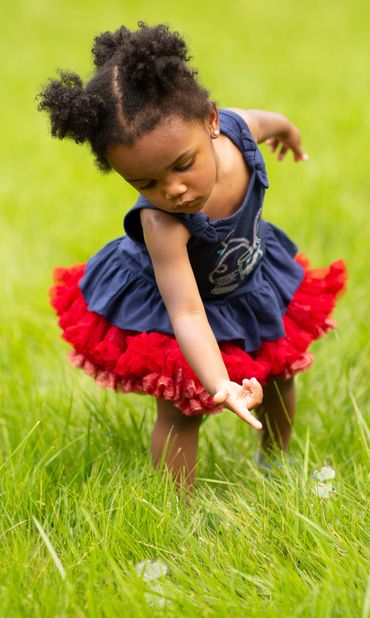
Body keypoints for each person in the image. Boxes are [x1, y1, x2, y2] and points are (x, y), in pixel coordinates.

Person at [37, 22, 346, 489]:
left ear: (211, 120)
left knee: (282, 374)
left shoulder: (239, 132)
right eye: (146, 183)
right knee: (184, 408)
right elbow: (186, 312)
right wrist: (219, 383)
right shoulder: (162, 223)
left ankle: (276, 466)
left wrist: (290, 134)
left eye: (183, 165)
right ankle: (177, 509)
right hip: (183, 305)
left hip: (248, 280)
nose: (173, 190)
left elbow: (272, 121)